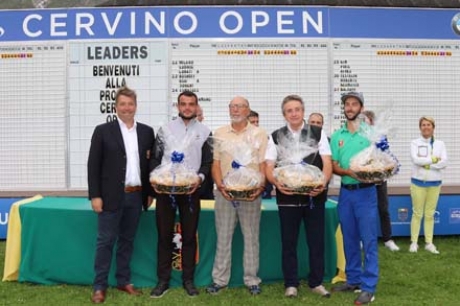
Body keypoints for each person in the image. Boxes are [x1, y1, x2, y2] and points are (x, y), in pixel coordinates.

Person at [87, 86, 155, 304]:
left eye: (131, 104)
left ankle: (123, 280)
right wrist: (95, 196)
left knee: (127, 241)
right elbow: (93, 166)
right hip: (110, 197)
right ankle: (99, 286)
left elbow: (150, 165)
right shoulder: (102, 131)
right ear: (116, 107)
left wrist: (149, 192)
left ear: (136, 106)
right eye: (123, 104)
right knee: (105, 241)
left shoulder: (146, 132)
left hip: (136, 197)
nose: (127, 108)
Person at [265, 95, 332, 298]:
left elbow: (327, 163)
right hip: (288, 199)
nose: (294, 113)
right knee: (289, 242)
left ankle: (316, 282)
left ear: (303, 111)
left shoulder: (318, 133)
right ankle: (291, 283)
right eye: (289, 110)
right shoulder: (275, 136)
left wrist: (322, 183)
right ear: (284, 114)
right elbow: (269, 166)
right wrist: (277, 183)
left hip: (314, 196)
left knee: (316, 242)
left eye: (297, 109)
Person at [149, 91, 212, 298]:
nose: (187, 107)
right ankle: (163, 280)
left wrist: (199, 179)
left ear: (196, 107)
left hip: (191, 190)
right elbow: (155, 159)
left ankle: (188, 280)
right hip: (166, 190)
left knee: (189, 236)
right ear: (177, 107)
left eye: (191, 104)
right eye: (183, 104)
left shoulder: (204, 132)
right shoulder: (165, 130)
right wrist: (155, 180)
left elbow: (207, 163)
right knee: (164, 235)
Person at [206, 96, 268, 296]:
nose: (235, 109)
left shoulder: (260, 134)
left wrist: (259, 187)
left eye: (240, 106)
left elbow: (263, 165)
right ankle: (219, 280)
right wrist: (220, 185)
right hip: (225, 194)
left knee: (251, 238)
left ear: (248, 110)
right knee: (223, 237)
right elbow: (215, 164)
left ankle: (252, 280)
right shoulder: (220, 133)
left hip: (251, 194)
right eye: (232, 106)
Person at [330, 92, 378, 305]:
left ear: (361, 107)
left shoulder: (371, 134)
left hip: (366, 192)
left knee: (368, 240)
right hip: (346, 193)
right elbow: (333, 165)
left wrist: (369, 170)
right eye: (347, 104)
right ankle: (353, 279)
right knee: (349, 238)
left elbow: (380, 161)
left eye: (354, 104)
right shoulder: (338, 135)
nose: (350, 107)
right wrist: (348, 172)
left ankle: (368, 287)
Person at [361, 110, 400, 252]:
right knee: (364, 212)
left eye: (368, 119)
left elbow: (386, 155)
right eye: (363, 120)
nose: (365, 122)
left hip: (380, 179)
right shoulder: (358, 137)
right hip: (363, 180)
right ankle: (362, 239)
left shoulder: (381, 137)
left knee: (383, 210)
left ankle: (388, 239)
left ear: (373, 121)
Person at [409, 116, 448, 254]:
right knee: (417, 213)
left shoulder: (440, 144)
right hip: (418, 183)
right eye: (423, 125)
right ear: (420, 127)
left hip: (435, 183)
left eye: (429, 125)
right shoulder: (415, 143)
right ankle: (414, 242)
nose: (426, 127)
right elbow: (416, 160)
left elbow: (444, 162)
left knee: (430, 214)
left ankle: (429, 243)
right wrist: (432, 160)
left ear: (433, 127)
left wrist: (427, 165)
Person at [247, 109, 273, 199]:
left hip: (264, 182)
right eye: (253, 122)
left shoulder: (266, 138)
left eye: (257, 121)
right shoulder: (240, 139)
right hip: (247, 181)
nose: (256, 124)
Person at [195, 104, 215, 200]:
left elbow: (209, 160)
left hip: (205, 187)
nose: (203, 118)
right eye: (199, 115)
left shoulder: (206, 133)